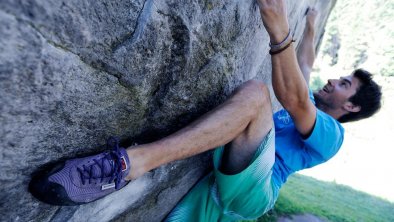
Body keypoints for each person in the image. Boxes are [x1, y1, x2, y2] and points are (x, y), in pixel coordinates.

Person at [29, 0, 382, 221]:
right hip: (234, 172)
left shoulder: (332, 136)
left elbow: (294, 96)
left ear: (350, 107)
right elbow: (305, 66)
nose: (335, 81)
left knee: (257, 94)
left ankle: (130, 164)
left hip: (256, 193)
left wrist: (278, 25)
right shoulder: (311, 111)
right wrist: (310, 25)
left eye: (346, 84)